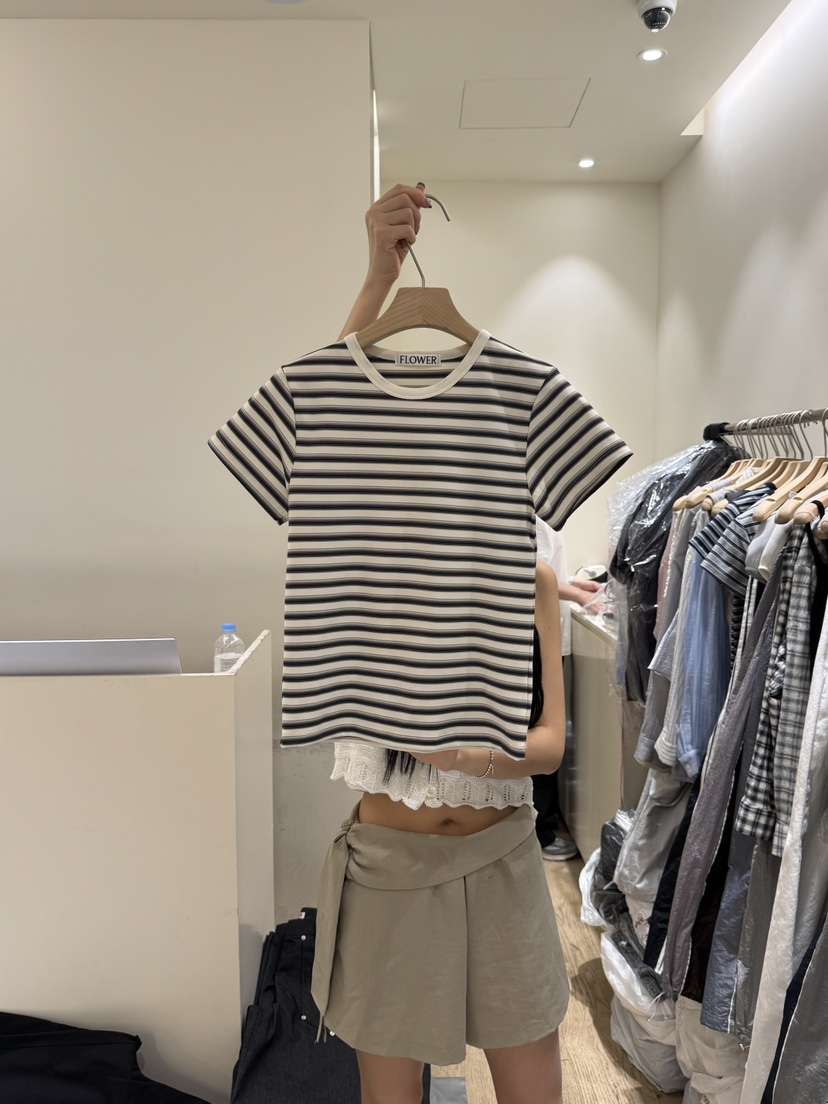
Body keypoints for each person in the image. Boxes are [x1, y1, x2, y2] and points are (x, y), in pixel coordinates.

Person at [314, 183, 570, 1104]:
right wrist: (375, 280)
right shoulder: (360, 573)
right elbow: (325, 423)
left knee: (534, 1086)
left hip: (503, 862)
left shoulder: (532, 578)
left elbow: (551, 746)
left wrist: (471, 752)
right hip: (389, 872)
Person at [534, 520, 603, 861]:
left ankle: (542, 827)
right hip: (535, 641)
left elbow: (546, 572)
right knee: (542, 732)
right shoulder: (527, 514)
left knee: (549, 730)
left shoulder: (545, 519)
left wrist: (575, 585)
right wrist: (577, 594)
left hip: (547, 638)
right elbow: (528, 574)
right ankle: (541, 833)